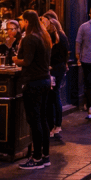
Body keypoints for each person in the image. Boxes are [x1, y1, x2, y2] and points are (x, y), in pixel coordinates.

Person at [15, 10, 53, 170]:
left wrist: (16, 59)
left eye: (22, 21)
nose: (21, 24)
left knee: (35, 120)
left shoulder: (30, 38)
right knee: (42, 119)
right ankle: (45, 155)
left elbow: (27, 61)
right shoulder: (44, 37)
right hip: (44, 81)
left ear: (27, 21)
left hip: (33, 82)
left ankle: (36, 157)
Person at [43, 16, 69, 139]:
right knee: (55, 96)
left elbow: (51, 54)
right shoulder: (63, 36)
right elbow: (66, 54)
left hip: (53, 70)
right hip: (60, 69)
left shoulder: (53, 37)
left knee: (52, 97)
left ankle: (54, 125)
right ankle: (57, 125)